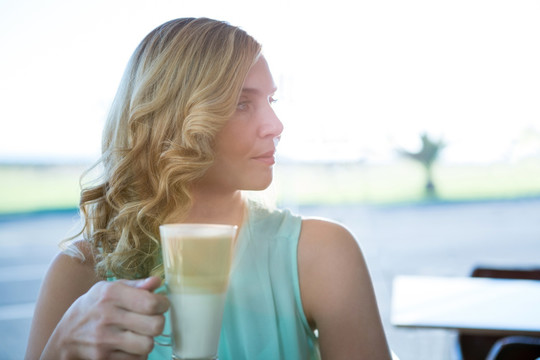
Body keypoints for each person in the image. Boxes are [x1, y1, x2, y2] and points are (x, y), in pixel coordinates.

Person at [25, 17, 393, 360]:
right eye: (242, 104)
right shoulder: (80, 271)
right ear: (172, 119)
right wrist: (59, 348)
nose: (276, 125)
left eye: (271, 100)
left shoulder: (320, 254)